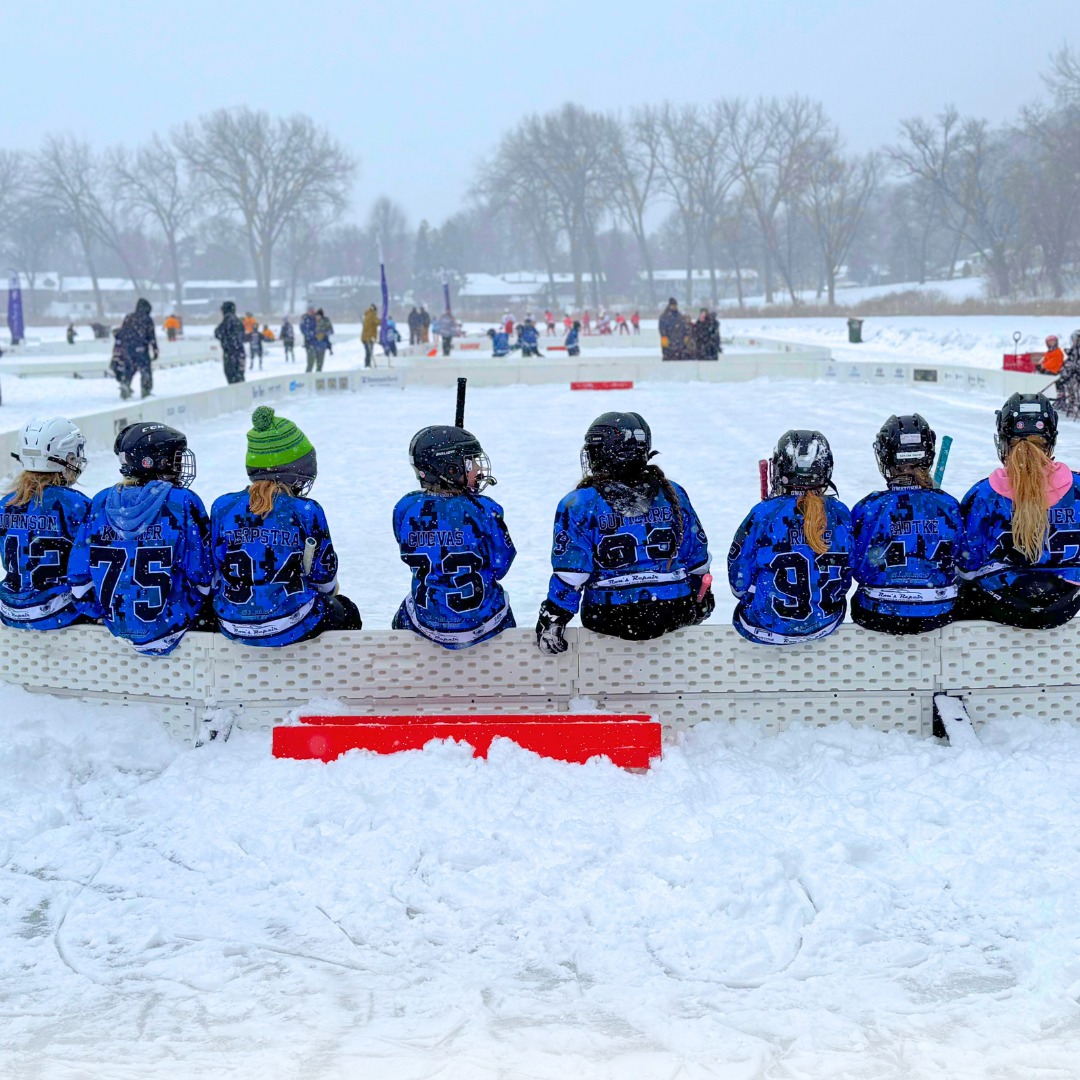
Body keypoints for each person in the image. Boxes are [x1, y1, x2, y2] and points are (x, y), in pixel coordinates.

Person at [536, 412, 713, 652]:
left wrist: (555, 613)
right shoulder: (674, 492)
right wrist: (702, 593)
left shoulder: (578, 502)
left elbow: (572, 572)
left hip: (608, 615)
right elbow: (697, 556)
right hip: (674, 608)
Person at [211, 407, 362, 645]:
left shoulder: (223, 506)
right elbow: (324, 579)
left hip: (232, 623)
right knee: (346, 610)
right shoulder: (306, 510)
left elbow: (214, 569)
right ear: (295, 470)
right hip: (292, 623)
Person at [68, 422, 213, 656]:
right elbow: (202, 573)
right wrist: (195, 607)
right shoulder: (182, 501)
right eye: (175, 460)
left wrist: (101, 613)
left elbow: (78, 575)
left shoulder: (101, 501)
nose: (179, 467)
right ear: (153, 462)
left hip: (116, 623)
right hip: (173, 623)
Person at [956, 393, 1080, 629]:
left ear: (1004, 440)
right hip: (1064, 604)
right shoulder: (1077, 487)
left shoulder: (984, 493)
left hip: (1005, 604)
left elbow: (966, 562)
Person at [392, 425, 516, 649]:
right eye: (470, 463)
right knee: (500, 604)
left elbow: (407, 548)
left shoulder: (406, 507)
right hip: (483, 624)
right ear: (450, 469)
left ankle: (407, 657)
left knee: (405, 611)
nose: (478, 469)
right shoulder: (484, 509)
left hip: (427, 624)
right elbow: (501, 566)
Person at [728, 430, 853, 645]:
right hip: (825, 624)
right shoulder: (841, 513)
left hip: (765, 628)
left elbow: (738, 582)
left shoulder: (763, 513)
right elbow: (848, 574)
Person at [850, 415, 962, 634]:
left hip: (878, 614)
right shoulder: (948, 504)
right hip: (938, 612)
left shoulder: (869, 506)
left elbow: (857, 567)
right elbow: (963, 560)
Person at [0, 418, 93, 631]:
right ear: (63, 458)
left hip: (10, 609)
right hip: (56, 612)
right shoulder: (75, 504)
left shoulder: (5, 504)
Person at [118, 297, 159, 399]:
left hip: (128, 348)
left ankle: (125, 385)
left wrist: (121, 347)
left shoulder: (128, 317)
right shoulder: (147, 319)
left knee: (129, 368)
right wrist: (155, 349)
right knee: (145, 369)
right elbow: (151, 336)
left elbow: (122, 333)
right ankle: (146, 390)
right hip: (141, 348)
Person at [215, 300, 246, 384]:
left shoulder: (227, 320)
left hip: (230, 353)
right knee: (240, 377)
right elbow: (243, 336)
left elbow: (218, 333)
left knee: (232, 378)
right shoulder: (239, 322)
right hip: (240, 352)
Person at [109, 327, 135, 399]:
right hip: (124, 360)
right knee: (125, 375)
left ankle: (125, 388)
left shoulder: (119, 340)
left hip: (121, 360)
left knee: (122, 375)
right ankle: (125, 387)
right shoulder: (123, 339)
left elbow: (117, 351)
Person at [361, 304, 379, 368]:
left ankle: (367, 364)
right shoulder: (372, 315)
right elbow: (377, 322)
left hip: (365, 337)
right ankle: (367, 365)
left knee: (368, 352)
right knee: (369, 352)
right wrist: (384, 320)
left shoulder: (367, 315)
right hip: (369, 338)